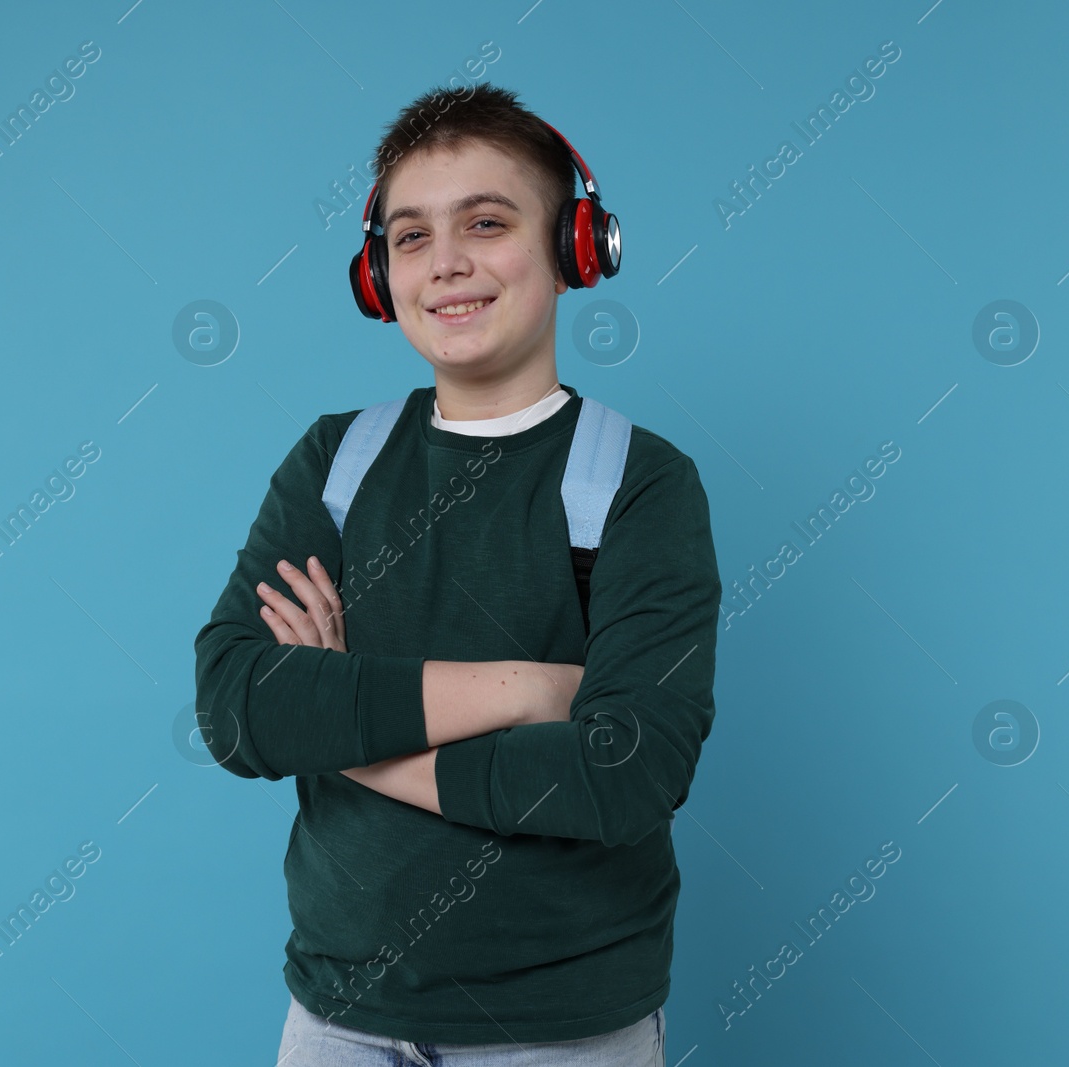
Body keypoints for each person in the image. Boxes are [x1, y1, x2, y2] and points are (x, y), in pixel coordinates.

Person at [192, 84, 721, 1066]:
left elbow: (625, 772)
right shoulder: (334, 463)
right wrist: (529, 689)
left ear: (575, 250)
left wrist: (347, 727)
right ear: (377, 275)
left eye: (486, 221)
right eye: (410, 236)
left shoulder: (638, 483)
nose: (447, 264)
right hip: (336, 1018)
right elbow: (238, 706)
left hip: (559, 1031)